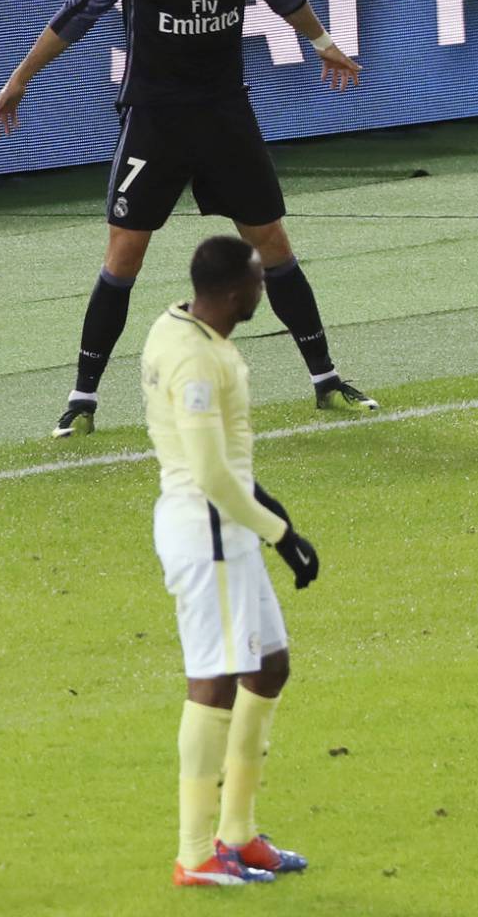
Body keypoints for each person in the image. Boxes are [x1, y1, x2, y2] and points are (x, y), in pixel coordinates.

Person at [0, 0, 376, 440]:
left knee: (272, 244)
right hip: (155, 120)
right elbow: (77, 15)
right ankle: (82, 400)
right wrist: (19, 79)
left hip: (225, 116)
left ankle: (327, 381)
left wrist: (324, 45)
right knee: (123, 257)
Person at [140, 235, 318, 887]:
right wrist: (280, 533)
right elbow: (212, 474)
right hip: (208, 532)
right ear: (238, 293)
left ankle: (237, 832)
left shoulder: (179, 326)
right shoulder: (192, 360)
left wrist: (278, 524)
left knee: (269, 666)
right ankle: (195, 854)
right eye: (259, 280)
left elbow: (229, 463)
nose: (265, 287)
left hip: (228, 529)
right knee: (213, 680)